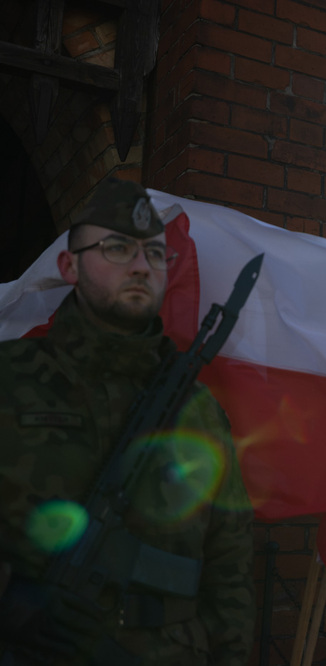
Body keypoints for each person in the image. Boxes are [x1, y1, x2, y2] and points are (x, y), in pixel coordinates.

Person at [0, 178, 255, 665]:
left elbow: (230, 571)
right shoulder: (9, 379)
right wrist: (12, 601)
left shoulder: (198, 410)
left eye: (155, 255)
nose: (141, 266)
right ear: (68, 265)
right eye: (118, 248)